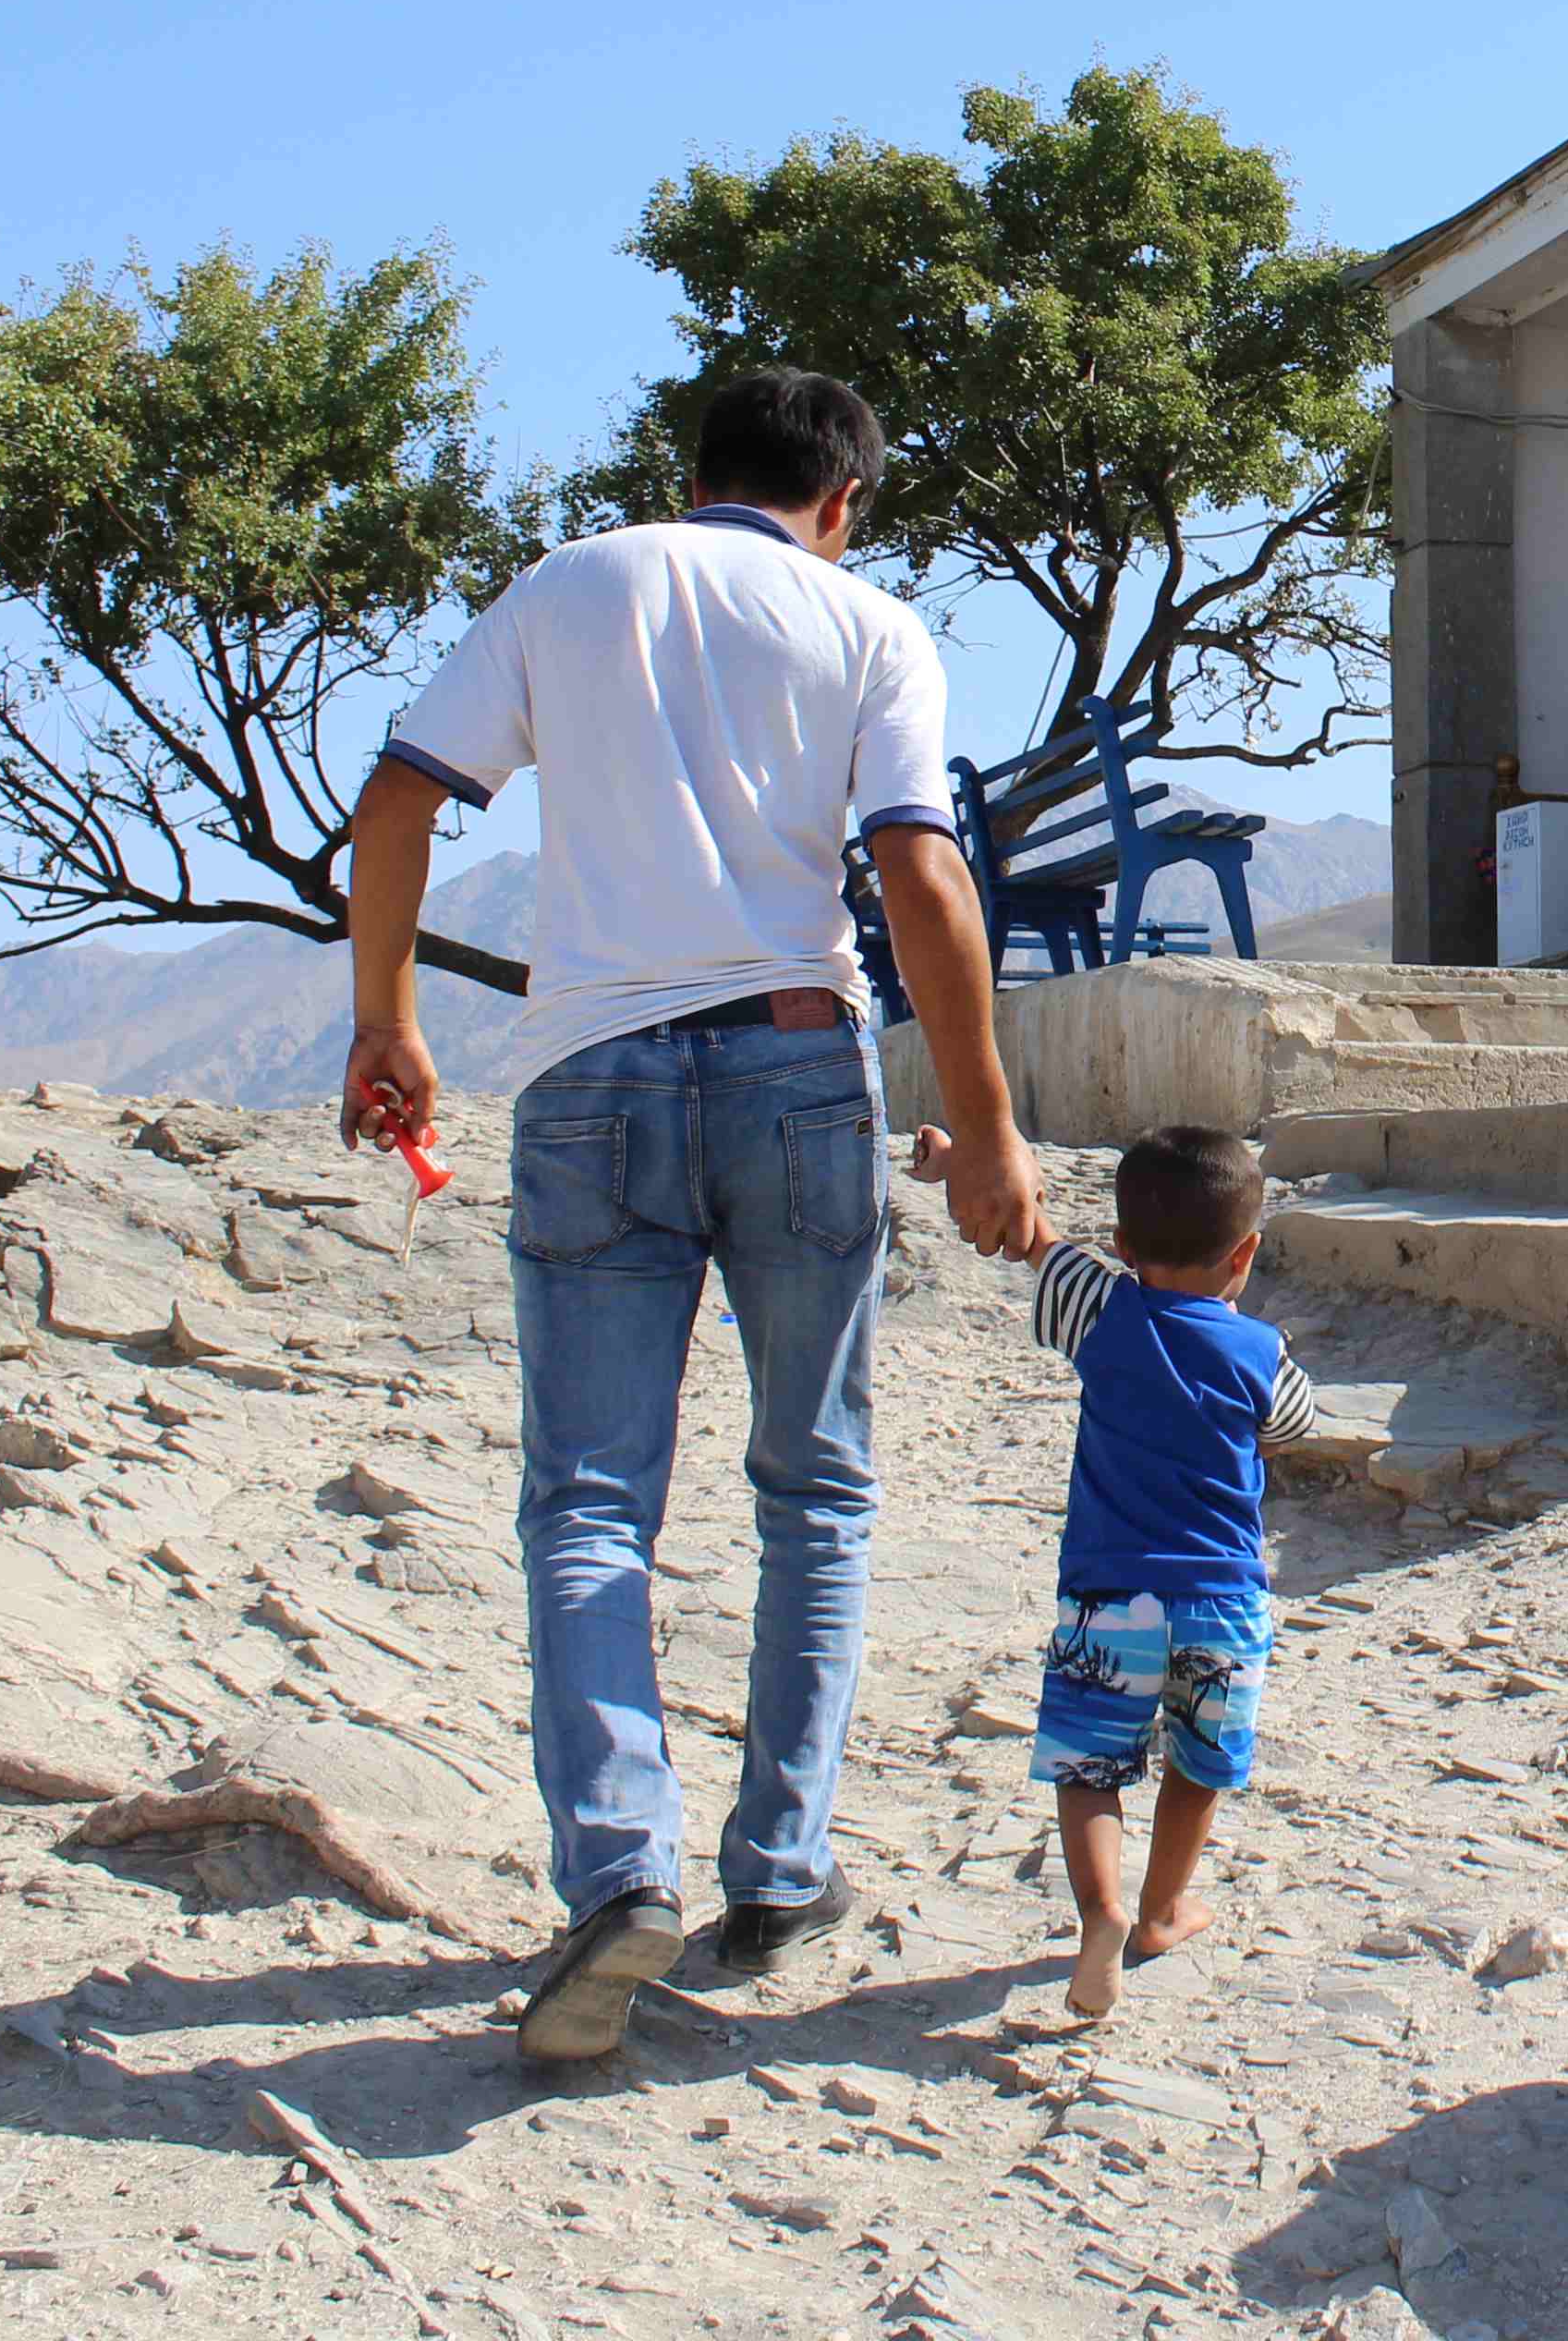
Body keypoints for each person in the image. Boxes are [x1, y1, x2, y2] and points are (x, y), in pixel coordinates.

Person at [339, 363, 1051, 2067]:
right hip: (797, 1075)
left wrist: (389, 1022)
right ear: (841, 497)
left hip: (586, 1078)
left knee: (585, 1500)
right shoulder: (867, 624)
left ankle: (614, 1871)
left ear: (698, 472)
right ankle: (780, 1870)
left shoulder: (566, 585)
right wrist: (991, 1123)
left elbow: (397, 797)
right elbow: (917, 874)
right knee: (813, 1485)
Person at [914, 1116, 1316, 2022]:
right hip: (1222, 1602)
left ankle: (1097, 1913)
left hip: (1108, 1600)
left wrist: (953, 1161)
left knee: (1091, 1769)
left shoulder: (1099, 1306)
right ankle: (1161, 1912)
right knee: (1200, 1766)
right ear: (1245, 1253)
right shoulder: (1261, 1354)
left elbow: (1034, 1241)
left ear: (1126, 1243)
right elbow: (1291, 1425)